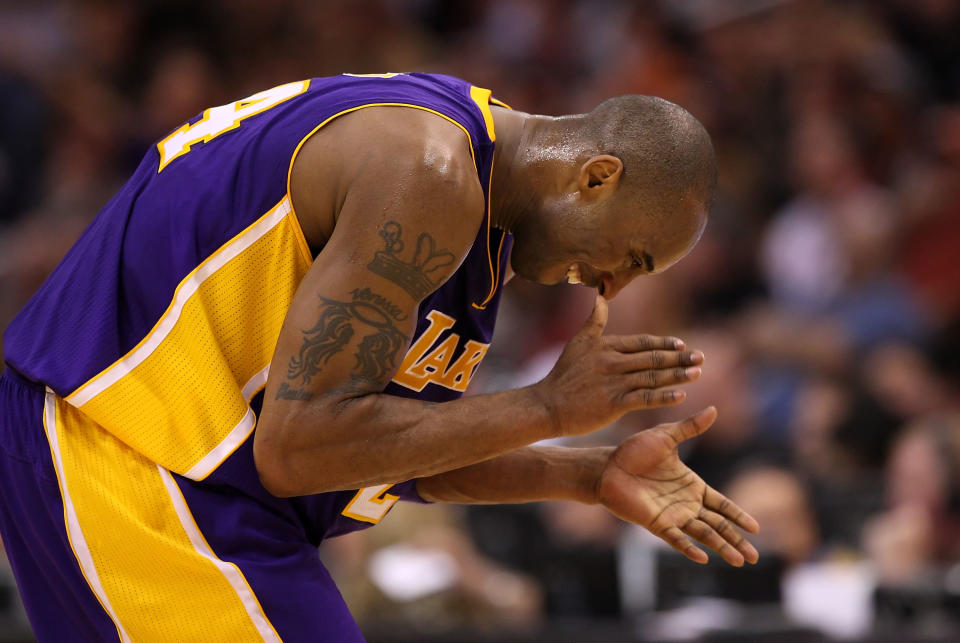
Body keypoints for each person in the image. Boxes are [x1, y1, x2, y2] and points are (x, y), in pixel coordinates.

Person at [0, 72, 759, 641]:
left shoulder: (483, 205)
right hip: (125, 445)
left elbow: (381, 453)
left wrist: (587, 472)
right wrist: (546, 405)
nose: (613, 285)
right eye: (630, 255)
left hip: (164, 464)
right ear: (597, 177)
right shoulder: (429, 176)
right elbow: (299, 449)